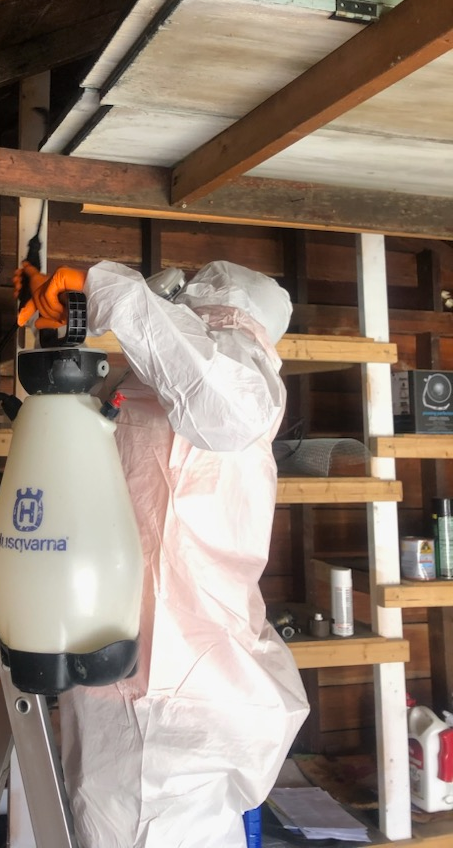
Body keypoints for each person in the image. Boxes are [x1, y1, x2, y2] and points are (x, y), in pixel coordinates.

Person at [16, 258, 310, 848]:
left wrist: (112, 292)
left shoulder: (238, 380)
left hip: (177, 705)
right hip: (118, 673)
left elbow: (214, 396)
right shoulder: (149, 384)